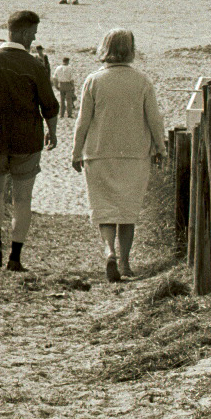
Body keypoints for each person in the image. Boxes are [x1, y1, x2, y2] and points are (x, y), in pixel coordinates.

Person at [0, 9, 59, 272]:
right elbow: (49, 105)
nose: (34, 38)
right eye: (34, 33)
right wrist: (53, 131)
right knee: (23, 199)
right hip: (27, 139)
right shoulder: (34, 65)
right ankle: (15, 257)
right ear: (25, 33)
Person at [71, 29, 165, 281]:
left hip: (99, 153)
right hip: (134, 154)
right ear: (131, 49)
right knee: (127, 211)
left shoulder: (93, 80)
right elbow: (154, 119)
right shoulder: (142, 81)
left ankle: (108, 251)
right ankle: (125, 263)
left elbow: (83, 121)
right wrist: (160, 147)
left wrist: (76, 151)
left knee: (105, 208)